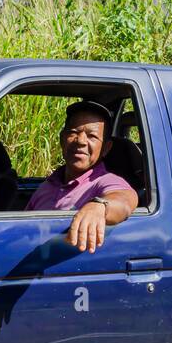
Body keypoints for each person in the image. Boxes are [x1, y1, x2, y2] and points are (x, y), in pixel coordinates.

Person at [26, 100, 137, 252]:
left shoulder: (104, 181)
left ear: (106, 148)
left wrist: (99, 206)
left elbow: (125, 199)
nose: (81, 141)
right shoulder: (48, 184)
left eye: (92, 136)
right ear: (61, 139)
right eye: (73, 132)